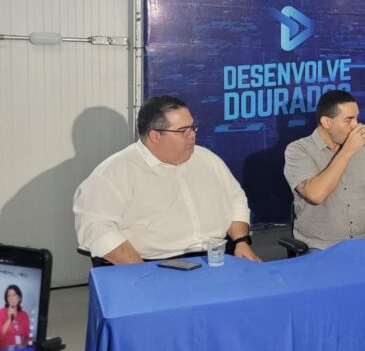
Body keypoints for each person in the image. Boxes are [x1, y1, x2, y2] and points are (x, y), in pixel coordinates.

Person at [74, 95, 262, 265]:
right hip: (156, 264)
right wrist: (139, 270)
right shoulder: (113, 172)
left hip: (218, 257)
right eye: (183, 130)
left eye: (193, 127)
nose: (192, 135)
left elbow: (235, 198)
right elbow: (96, 228)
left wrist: (241, 242)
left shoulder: (207, 159)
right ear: (155, 135)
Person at [284, 90, 365, 250]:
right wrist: (348, 151)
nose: (356, 125)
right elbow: (315, 194)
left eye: (356, 118)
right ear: (327, 122)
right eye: (348, 120)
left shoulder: (363, 150)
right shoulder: (299, 150)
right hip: (322, 248)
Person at [0, 285, 31, 350]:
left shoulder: (24, 315)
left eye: (14, 295)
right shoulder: (1, 312)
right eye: (9, 296)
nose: (11, 298)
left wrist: (24, 345)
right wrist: (9, 319)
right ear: (7, 299)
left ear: (19, 298)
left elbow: (28, 337)